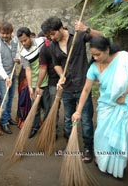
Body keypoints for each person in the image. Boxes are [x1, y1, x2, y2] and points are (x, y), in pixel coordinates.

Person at [72, 36, 128, 178]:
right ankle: (103, 160)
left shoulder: (125, 59)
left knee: (120, 135)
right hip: (106, 105)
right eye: (93, 55)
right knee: (101, 135)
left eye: (98, 54)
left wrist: (125, 94)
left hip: (124, 103)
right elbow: (85, 90)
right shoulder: (93, 68)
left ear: (107, 50)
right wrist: (78, 111)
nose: (95, 58)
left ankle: (116, 167)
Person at [41, 16, 102, 163]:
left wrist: (86, 28)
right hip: (67, 89)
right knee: (67, 119)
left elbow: (102, 37)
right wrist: (61, 75)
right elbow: (55, 63)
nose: (51, 37)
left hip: (82, 87)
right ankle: (69, 146)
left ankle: (88, 149)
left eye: (53, 33)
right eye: (48, 35)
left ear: (60, 28)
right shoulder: (53, 46)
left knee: (86, 120)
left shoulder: (79, 36)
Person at [17, 27, 50, 138]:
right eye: (21, 41)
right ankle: (35, 127)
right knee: (34, 108)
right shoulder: (23, 53)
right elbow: (28, 69)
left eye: (25, 40)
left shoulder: (42, 41)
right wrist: (30, 87)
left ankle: (48, 129)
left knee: (47, 107)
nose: (23, 43)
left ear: (30, 36)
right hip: (34, 82)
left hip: (46, 81)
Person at [0, 22, 19, 134]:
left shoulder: (15, 40)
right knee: (4, 98)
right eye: (3, 33)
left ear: (11, 32)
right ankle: (4, 122)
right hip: (2, 77)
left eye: (7, 33)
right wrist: (6, 77)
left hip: (12, 74)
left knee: (11, 97)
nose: (5, 36)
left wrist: (18, 59)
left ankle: (8, 117)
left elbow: (18, 53)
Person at [35, 31, 60, 139]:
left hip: (70, 81)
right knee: (54, 107)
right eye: (48, 36)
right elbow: (43, 68)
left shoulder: (63, 44)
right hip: (54, 82)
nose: (51, 37)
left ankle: (69, 132)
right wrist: (38, 85)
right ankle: (52, 131)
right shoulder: (45, 49)